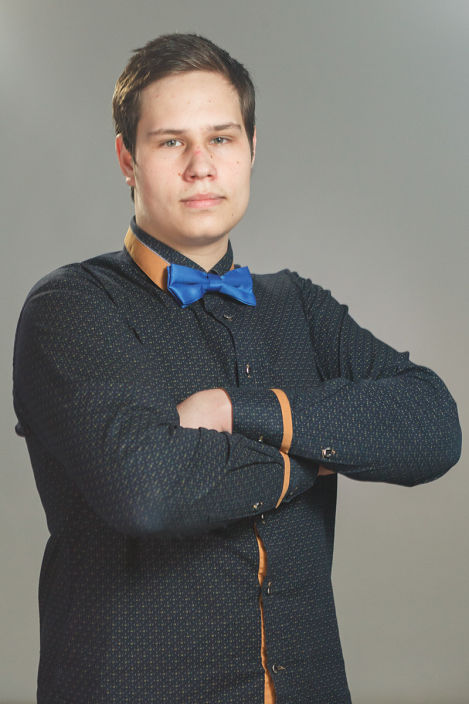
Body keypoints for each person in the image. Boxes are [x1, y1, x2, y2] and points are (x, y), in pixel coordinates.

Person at [12, 33, 461, 704]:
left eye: (221, 139)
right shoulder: (71, 308)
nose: (201, 166)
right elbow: (147, 491)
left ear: (251, 150)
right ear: (127, 159)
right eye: (171, 141)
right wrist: (314, 453)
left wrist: (234, 410)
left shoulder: (298, 305)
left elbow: (433, 426)